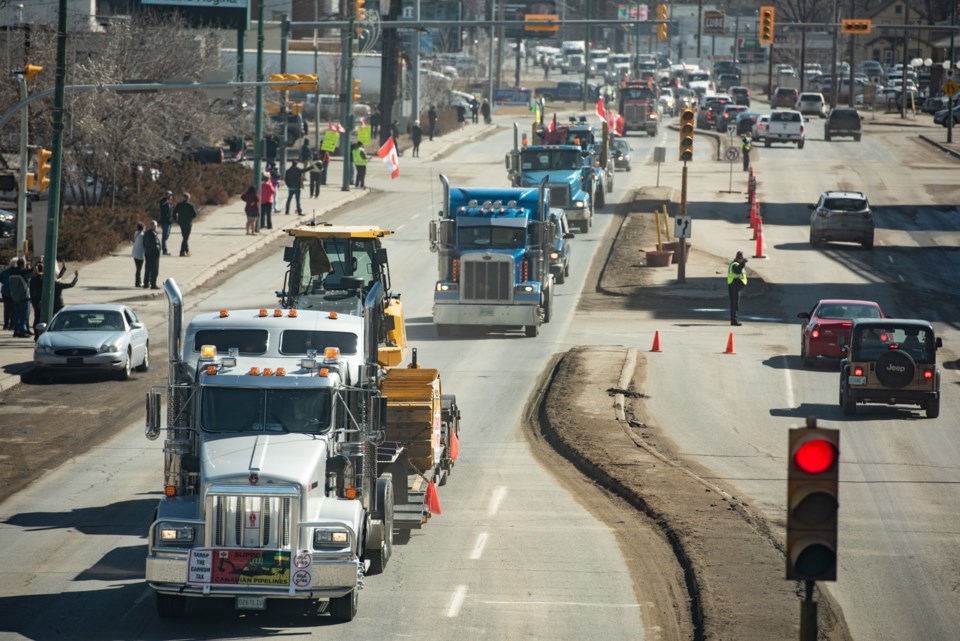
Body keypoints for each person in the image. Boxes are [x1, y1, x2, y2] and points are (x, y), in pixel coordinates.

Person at [9, 257, 31, 337]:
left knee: (16, 315)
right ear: (23, 263)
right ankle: (23, 331)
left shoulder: (11, 272)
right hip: (24, 296)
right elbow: (32, 273)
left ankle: (16, 331)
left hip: (15, 296)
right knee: (24, 315)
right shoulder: (23, 271)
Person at [727, 250, 748, 326]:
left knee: (735, 304)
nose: (741, 259)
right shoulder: (735, 264)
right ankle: (734, 321)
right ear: (739, 258)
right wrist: (743, 264)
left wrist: (742, 264)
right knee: (734, 304)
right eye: (741, 258)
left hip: (736, 286)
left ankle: (734, 320)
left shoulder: (737, 264)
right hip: (734, 286)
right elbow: (737, 271)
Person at [174, 193, 197, 257]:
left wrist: (176, 220)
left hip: (181, 223)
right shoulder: (190, 205)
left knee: (184, 237)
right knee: (185, 237)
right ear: (188, 198)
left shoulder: (179, 205)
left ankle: (187, 250)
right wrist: (190, 217)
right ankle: (182, 251)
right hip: (188, 223)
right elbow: (194, 215)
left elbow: (174, 212)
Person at [142, 220, 162, 289]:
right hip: (154, 254)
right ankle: (153, 284)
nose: (156, 227)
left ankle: (146, 283)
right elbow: (156, 245)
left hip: (147, 253)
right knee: (155, 270)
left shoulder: (146, 233)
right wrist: (158, 252)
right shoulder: (154, 234)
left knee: (147, 269)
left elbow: (144, 244)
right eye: (156, 226)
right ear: (154, 226)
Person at [1, 257, 18, 331]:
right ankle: (11, 325)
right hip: (13, 292)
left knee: (6, 309)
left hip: (5, 292)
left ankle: (5, 324)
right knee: (13, 309)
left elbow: (1, 279)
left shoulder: (5, 271)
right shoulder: (16, 272)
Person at [158, 191, 174, 255]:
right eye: (170, 195)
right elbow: (162, 204)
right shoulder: (163, 201)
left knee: (167, 236)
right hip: (164, 221)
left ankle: (162, 247)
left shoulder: (169, 203)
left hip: (169, 221)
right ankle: (164, 250)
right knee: (164, 237)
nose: (171, 197)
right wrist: (166, 199)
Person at [131, 221, 145, 287]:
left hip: (134, 253)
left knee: (138, 268)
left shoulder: (136, 233)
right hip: (140, 254)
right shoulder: (142, 236)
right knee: (139, 269)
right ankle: (137, 282)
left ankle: (139, 281)